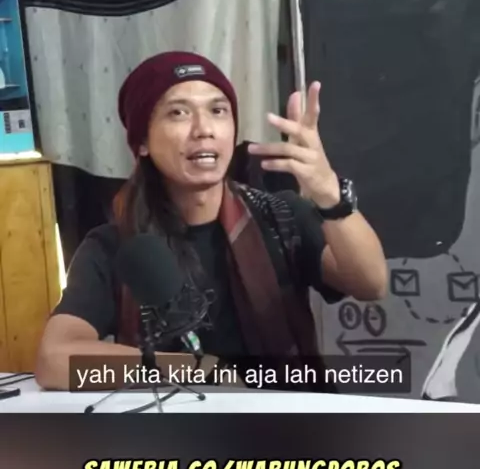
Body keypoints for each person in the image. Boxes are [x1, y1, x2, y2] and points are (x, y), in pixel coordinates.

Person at [35, 51, 388, 391]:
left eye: (218, 111)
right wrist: (195, 370)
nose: (204, 129)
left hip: (294, 420)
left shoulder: (282, 216)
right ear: (142, 142)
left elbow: (371, 284)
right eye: (178, 113)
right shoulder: (115, 246)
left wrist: (329, 195)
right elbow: (54, 360)